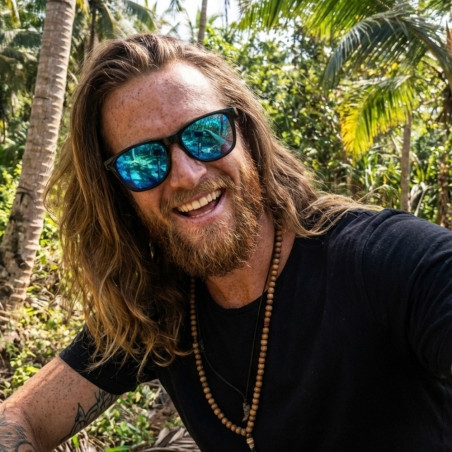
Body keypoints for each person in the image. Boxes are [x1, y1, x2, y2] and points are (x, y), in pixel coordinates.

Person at [1, 33, 452, 452]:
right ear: (118, 194)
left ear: (247, 136)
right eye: (142, 161)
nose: (186, 175)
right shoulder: (157, 307)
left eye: (205, 133)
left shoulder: (381, 260)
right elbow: (21, 417)